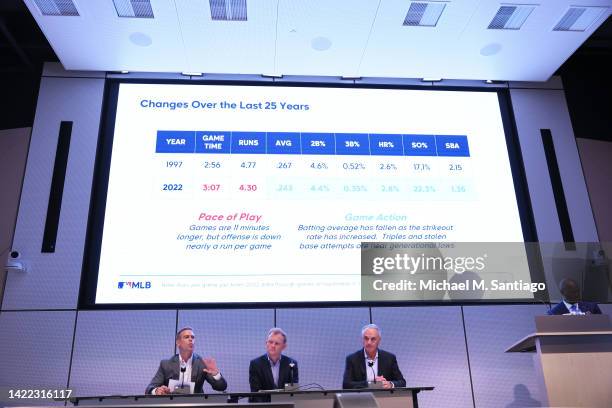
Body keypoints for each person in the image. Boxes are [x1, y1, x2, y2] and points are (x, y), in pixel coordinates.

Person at [146, 327, 227, 395]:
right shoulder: (166, 364)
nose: (190, 339)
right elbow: (149, 389)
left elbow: (221, 387)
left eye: (192, 337)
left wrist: (216, 375)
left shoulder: (201, 363)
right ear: (178, 343)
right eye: (186, 337)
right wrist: (156, 391)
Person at [343, 324, 406, 389]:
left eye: (373, 339)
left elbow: (402, 382)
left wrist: (390, 384)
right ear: (362, 340)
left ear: (379, 340)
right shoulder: (352, 359)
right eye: (366, 338)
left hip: (384, 397)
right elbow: (346, 384)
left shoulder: (389, 358)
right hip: (362, 397)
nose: (369, 342)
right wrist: (371, 384)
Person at [249, 328, 298, 402]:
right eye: (270, 342)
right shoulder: (256, 364)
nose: (273, 346)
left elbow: (292, 391)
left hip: (284, 405)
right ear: (266, 343)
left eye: (277, 343)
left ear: (284, 346)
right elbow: (256, 393)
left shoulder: (291, 364)